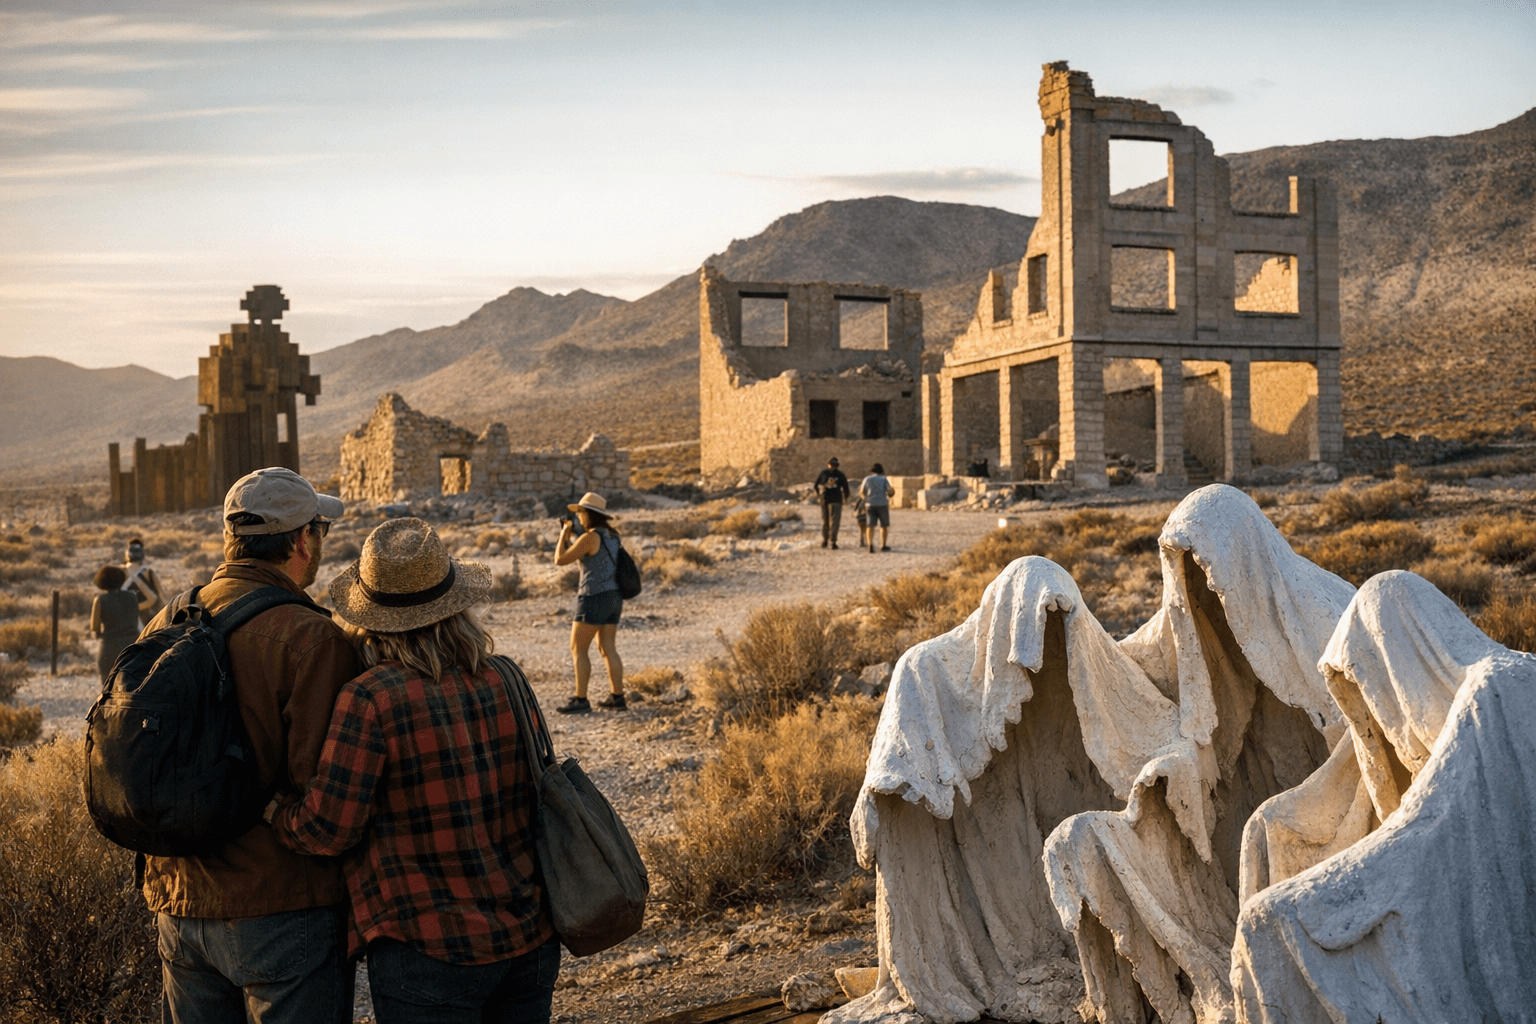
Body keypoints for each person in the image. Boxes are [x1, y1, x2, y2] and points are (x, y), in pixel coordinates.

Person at [266, 518, 560, 1024]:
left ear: (371, 617)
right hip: (527, 934)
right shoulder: (505, 676)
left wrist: (274, 811)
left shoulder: (371, 698)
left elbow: (328, 829)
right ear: (456, 605)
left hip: (427, 946)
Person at [141, 467, 360, 1024]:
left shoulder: (167, 618)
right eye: (320, 532)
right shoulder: (312, 637)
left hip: (178, 899)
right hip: (281, 906)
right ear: (303, 540)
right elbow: (323, 794)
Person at [552, 491, 626, 714]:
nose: (578, 517)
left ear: (589, 515)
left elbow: (560, 559)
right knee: (608, 648)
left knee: (578, 648)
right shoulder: (613, 536)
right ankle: (617, 697)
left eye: (581, 513)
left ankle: (581, 699)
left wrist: (564, 535)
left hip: (593, 597)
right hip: (614, 596)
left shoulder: (589, 538)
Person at [89, 564, 139, 682]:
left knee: (107, 685)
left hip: (109, 646)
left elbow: (94, 627)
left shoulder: (100, 600)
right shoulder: (132, 596)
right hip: (132, 645)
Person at [122, 535, 165, 627]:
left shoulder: (121, 572)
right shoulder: (149, 573)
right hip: (148, 620)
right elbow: (162, 596)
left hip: (126, 619)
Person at [814, 457, 850, 549]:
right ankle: (833, 542)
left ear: (829, 464)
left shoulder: (824, 473)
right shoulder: (841, 474)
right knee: (835, 521)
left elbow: (816, 485)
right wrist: (846, 498)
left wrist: (819, 495)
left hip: (825, 499)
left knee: (825, 521)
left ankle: (825, 541)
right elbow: (846, 488)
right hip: (837, 500)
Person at [859, 463, 893, 553]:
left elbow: (862, 492)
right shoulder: (883, 479)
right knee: (884, 526)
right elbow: (890, 491)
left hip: (870, 504)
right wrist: (891, 494)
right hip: (882, 504)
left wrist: (865, 499)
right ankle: (883, 545)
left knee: (870, 526)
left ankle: (870, 545)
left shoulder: (867, 479)